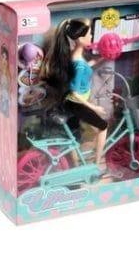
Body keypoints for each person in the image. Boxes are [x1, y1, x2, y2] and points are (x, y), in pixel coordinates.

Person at [41, 18, 107, 168]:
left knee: (74, 135)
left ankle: (76, 166)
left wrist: (99, 59)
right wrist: (93, 107)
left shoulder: (74, 56)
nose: (92, 37)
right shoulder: (78, 64)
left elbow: (83, 67)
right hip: (75, 103)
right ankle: (97, 164)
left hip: (69, 102)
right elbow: (75, 92)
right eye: (90, 34)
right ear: (80, 39)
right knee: (103, 127)